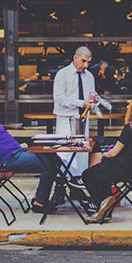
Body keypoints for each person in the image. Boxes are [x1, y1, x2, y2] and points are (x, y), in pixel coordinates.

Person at [82, 97, 132, 223]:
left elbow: (114, 153)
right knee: (102, 175)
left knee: (88, 174)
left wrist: (104, 155)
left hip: (122, 169)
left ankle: (104, 202)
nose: (127, 108)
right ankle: (105, 209)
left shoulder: (130, 128)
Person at [53, 46, 98, 177]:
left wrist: (94, 99)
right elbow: (59, 98)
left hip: (83, 119)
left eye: (88, 62)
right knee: (64, 152)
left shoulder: (89, 76)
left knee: (82, 154)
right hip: (66, 118)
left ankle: (77, 184)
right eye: (83, 61)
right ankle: (61, 186)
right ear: (75, 57)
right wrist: (81, 102)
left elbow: (91, 96)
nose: (86, 65)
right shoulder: (63, 74)